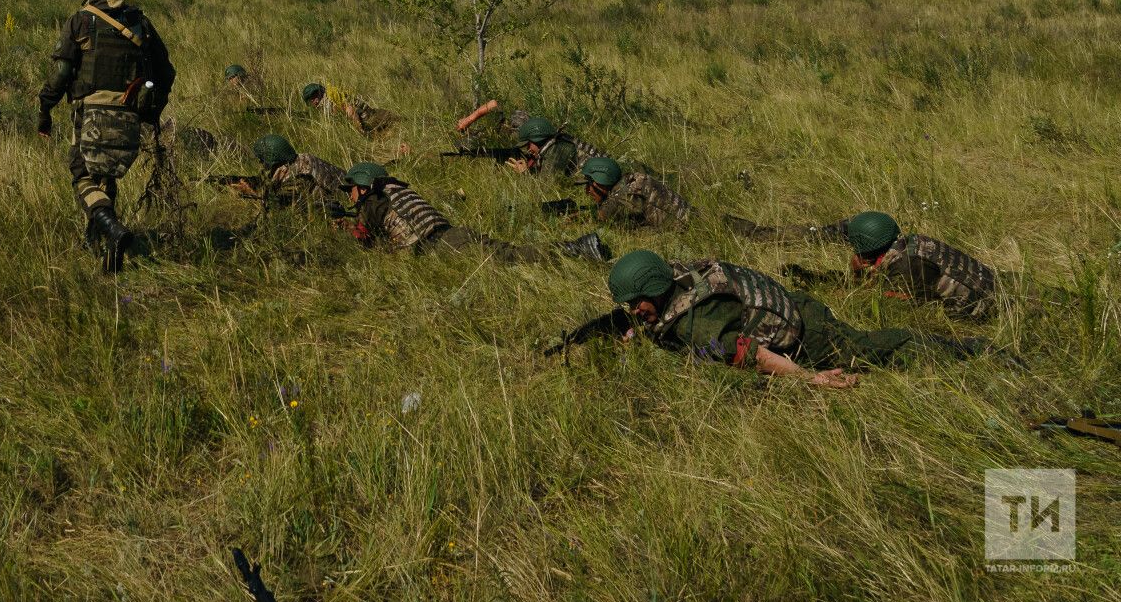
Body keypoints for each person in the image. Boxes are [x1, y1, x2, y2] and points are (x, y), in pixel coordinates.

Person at [605, 250, 982, 389]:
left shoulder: (696, 325)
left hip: (808, 336)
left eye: (638, 303)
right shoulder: (676, 275)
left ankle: (971, 352)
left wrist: (810, 379)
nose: (635, 311)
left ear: (656, 289)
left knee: (876, 350)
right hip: (794, 305)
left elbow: (752, 355)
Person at [37, 0, 176, 272]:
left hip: (90, 113)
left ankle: (111, 228)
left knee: (82, 177)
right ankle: (103, 250)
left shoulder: (81, 21)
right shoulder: (140, 23)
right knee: (106, 176)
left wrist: (45, 106)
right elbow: (166, 71)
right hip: (129, 113)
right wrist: (152, 112)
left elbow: (61, 72)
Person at [340, 163, 609, 263]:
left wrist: (344, 229)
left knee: (512, 257)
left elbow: (363, 241)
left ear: (363, 188)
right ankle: (576, 248)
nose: (349, 195)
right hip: (452, 235)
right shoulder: (394, 190)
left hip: (442, 247)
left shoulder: (371, 202)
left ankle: (577, 249)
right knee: (510, 254)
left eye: (350, 189)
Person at [790, 210, 999, 318]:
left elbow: (896, 304)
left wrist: (857, 278)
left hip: (980, 306)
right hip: (988, 283)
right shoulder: (910, 243)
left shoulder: (906, 265)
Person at [301, 83, 398, 137]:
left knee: (394, 123)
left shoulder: (330, 101)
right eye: (310, 100)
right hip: (369, 116)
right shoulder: (329, 97)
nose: (312, 103)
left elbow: (350, 110)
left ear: (316, 96)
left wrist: (360, 131)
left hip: (370, 119)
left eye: (312, 99)